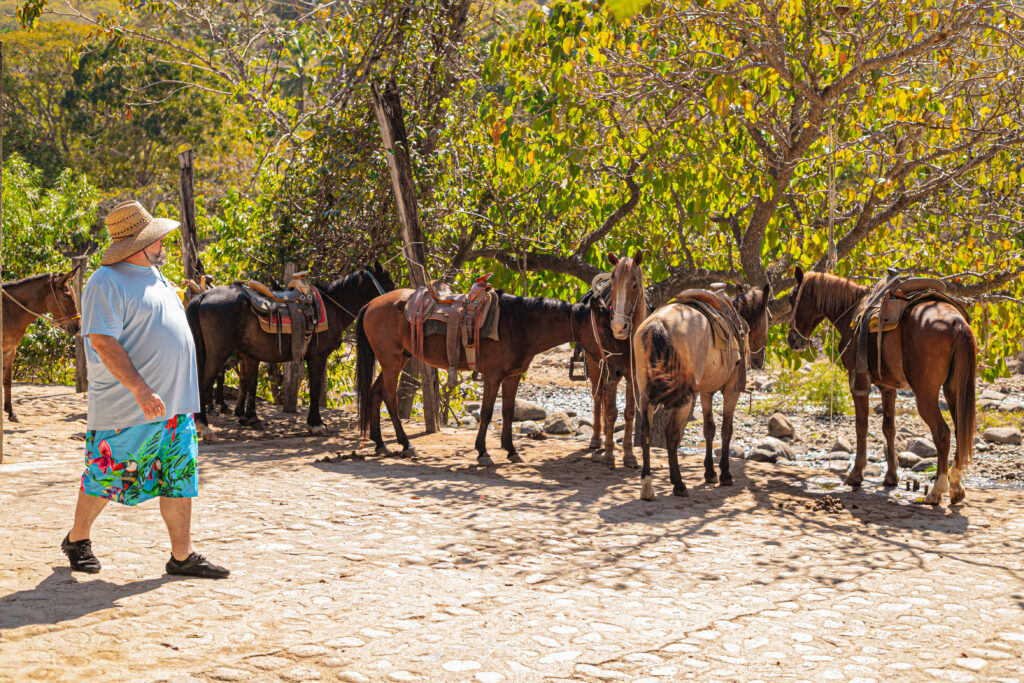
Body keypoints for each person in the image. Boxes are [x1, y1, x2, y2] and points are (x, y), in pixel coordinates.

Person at [61, 200, 228, 579]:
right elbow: (102, 342)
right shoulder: (106, 282)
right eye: (157, 240)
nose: (163, 245)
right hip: (129, 406)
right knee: (107, 476)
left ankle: (181, 556)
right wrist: (140, 390)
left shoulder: (157, 278)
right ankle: (77, 538)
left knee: (180, 479)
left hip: (174, 407)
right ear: (139, 244)